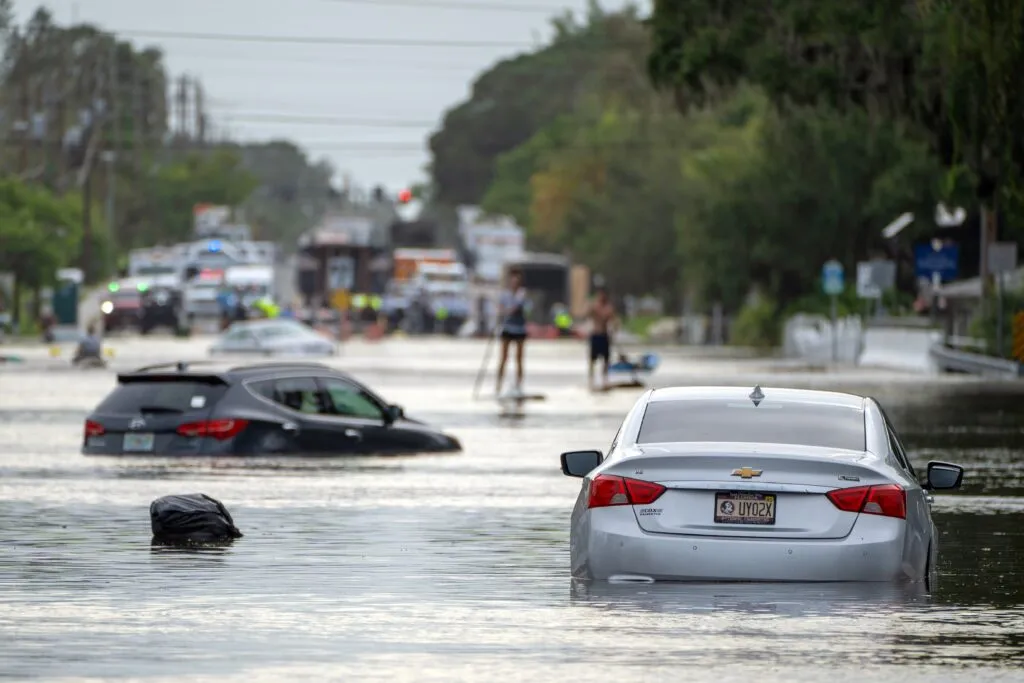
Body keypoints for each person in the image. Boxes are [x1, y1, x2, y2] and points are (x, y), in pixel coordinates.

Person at [495, 267, 530, 398]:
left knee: (519, 359)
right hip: (507, 328)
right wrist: (503, 312)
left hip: (520, 329)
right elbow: (501, 308)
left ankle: (519, 385)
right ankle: (498, 385)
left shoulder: (522, 293)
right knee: (503, 358)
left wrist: (508, 310)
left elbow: (518, 307)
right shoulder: (504, 294)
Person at [587, 287, 617, 390]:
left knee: (606, 359)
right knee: (592, 360)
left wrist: (614, 332)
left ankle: (605, 379)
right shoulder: (594, 306)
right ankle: (591, 380)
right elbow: (587, 314)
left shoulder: (608, 308)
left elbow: (613, 320)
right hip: (595, 335)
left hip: (604, 335)